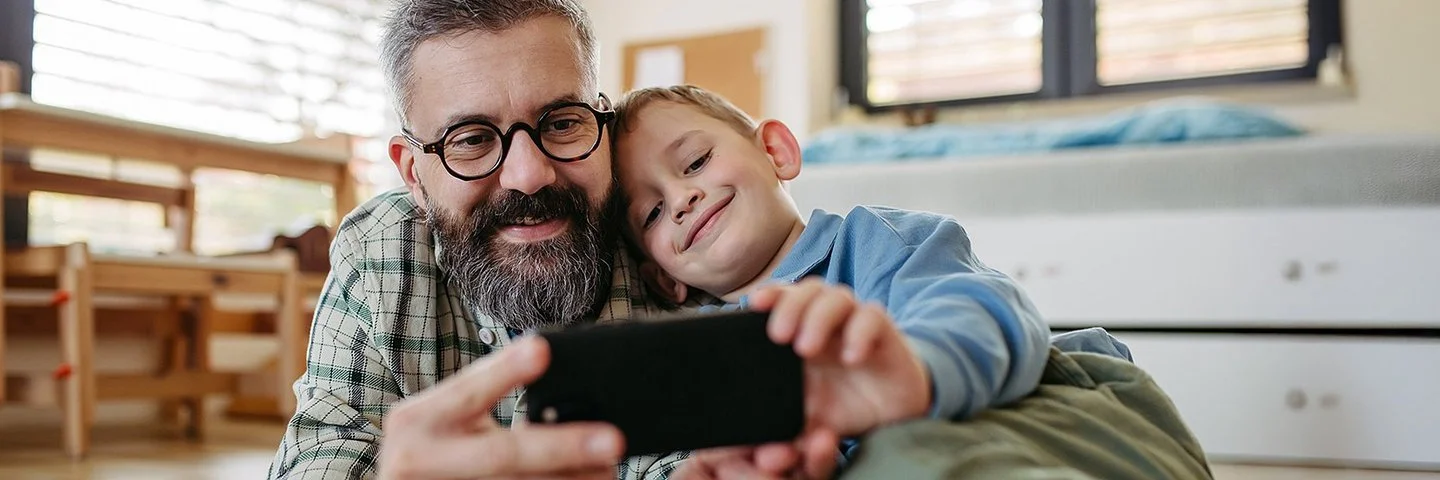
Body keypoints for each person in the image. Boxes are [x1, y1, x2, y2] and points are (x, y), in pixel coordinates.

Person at [268, 1, 1212, 479]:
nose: (527, 176)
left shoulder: (639, 252)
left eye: (559, 122)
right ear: (412, 165)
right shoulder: (385, 252)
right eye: (472, 139)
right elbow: (320, 458)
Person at [607, 84, 1050, 471]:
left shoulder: (873, 240)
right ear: (664, 279)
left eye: (696, 161)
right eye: (653, 213)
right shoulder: (702, 353)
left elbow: (987, 310)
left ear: (775, 151)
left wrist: (919, 369)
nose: (681, 199)